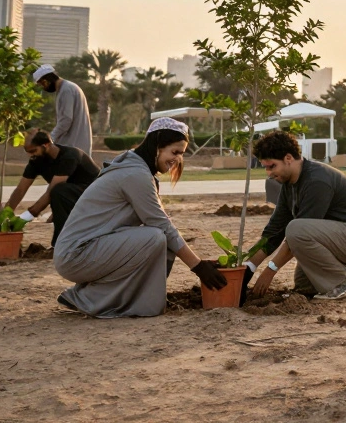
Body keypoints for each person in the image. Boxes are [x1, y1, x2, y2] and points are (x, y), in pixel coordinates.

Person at [54, 118, 228, 317]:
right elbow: (162, 224)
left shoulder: (135, 168)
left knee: (161, 241)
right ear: (157, 145)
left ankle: (122, 297)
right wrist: (198, 266)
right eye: (175, 152)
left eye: (181, 154)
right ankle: (89, 297)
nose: (178, 159)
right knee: (155, 237)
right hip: (76, 255)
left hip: (88, 250)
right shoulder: (135, 174)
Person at [247, 130, 346, 300]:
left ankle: (341, 281)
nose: (268, 173)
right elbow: (274, 231)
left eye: (272, 166)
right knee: (304, 284)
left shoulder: (316, 180)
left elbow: (296, 235)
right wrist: (248, 267)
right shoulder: (289, 184)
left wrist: (270, 270)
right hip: (343, 239)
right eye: (266, 167)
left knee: (296, 229)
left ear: (288, 158)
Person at [6, 130, 100, 246]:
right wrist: (6, 213)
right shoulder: (37, 160)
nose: (31, 155)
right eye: (28, 152)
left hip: (95, 196)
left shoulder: (69, 156)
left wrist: (24, 218)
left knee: (58, 192)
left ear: (46, 145)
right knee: (59, 194)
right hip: (71, 195)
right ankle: (62, 244)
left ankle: (62, 245)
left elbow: (52, 191)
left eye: (33, 151)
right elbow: (20, 190)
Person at [34, 64, 93, 157]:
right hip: (75, 146)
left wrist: (50, 138)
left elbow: (66, 120)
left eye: (43, 84)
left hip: (73, 147)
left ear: (48, 80)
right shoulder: (66, 88)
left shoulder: (66, 90)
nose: (43, 88)